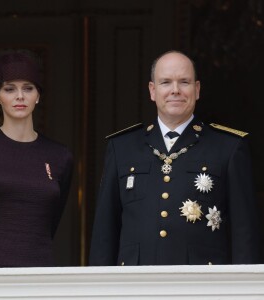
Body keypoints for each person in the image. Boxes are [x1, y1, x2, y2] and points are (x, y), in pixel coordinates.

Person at [89, 50, 260, 266]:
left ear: (197, 89)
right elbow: (105, 232)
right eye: (166, 82)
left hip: (203, 288)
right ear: (152, 90)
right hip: (135, 287)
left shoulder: (229, 147)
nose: (175, 90)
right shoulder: (122, 148)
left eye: (184, 82)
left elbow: (244, 234)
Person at [0, 50, 73, 268]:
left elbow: (53, 220)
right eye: (9, 89)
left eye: (28, 88)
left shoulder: (60, 156)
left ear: (38, 95)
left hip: (39, 272)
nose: (20, 96)